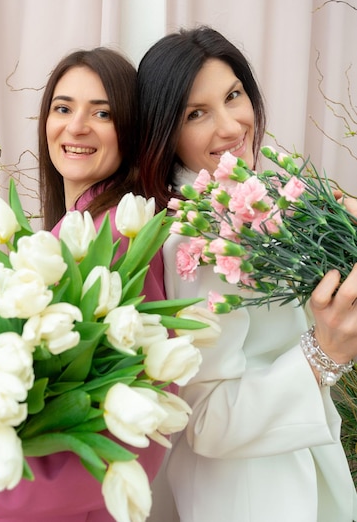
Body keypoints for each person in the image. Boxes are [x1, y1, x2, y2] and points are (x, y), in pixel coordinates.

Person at [136, 26, 357, 522]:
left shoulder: (248, 204)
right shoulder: (200, 240)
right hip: (250, 494)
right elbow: (208, 419)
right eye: (197, 114)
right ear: (165, 132)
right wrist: (323, 356)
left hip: (280, 468)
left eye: (233, 95)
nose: (232, 125)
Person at [0, 48, 166, 521]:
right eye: (63, 108)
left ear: (131, 130)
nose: (76, 126)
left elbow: (123, 437)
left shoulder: (121, 248)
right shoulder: (70, 233)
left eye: (102, 113)